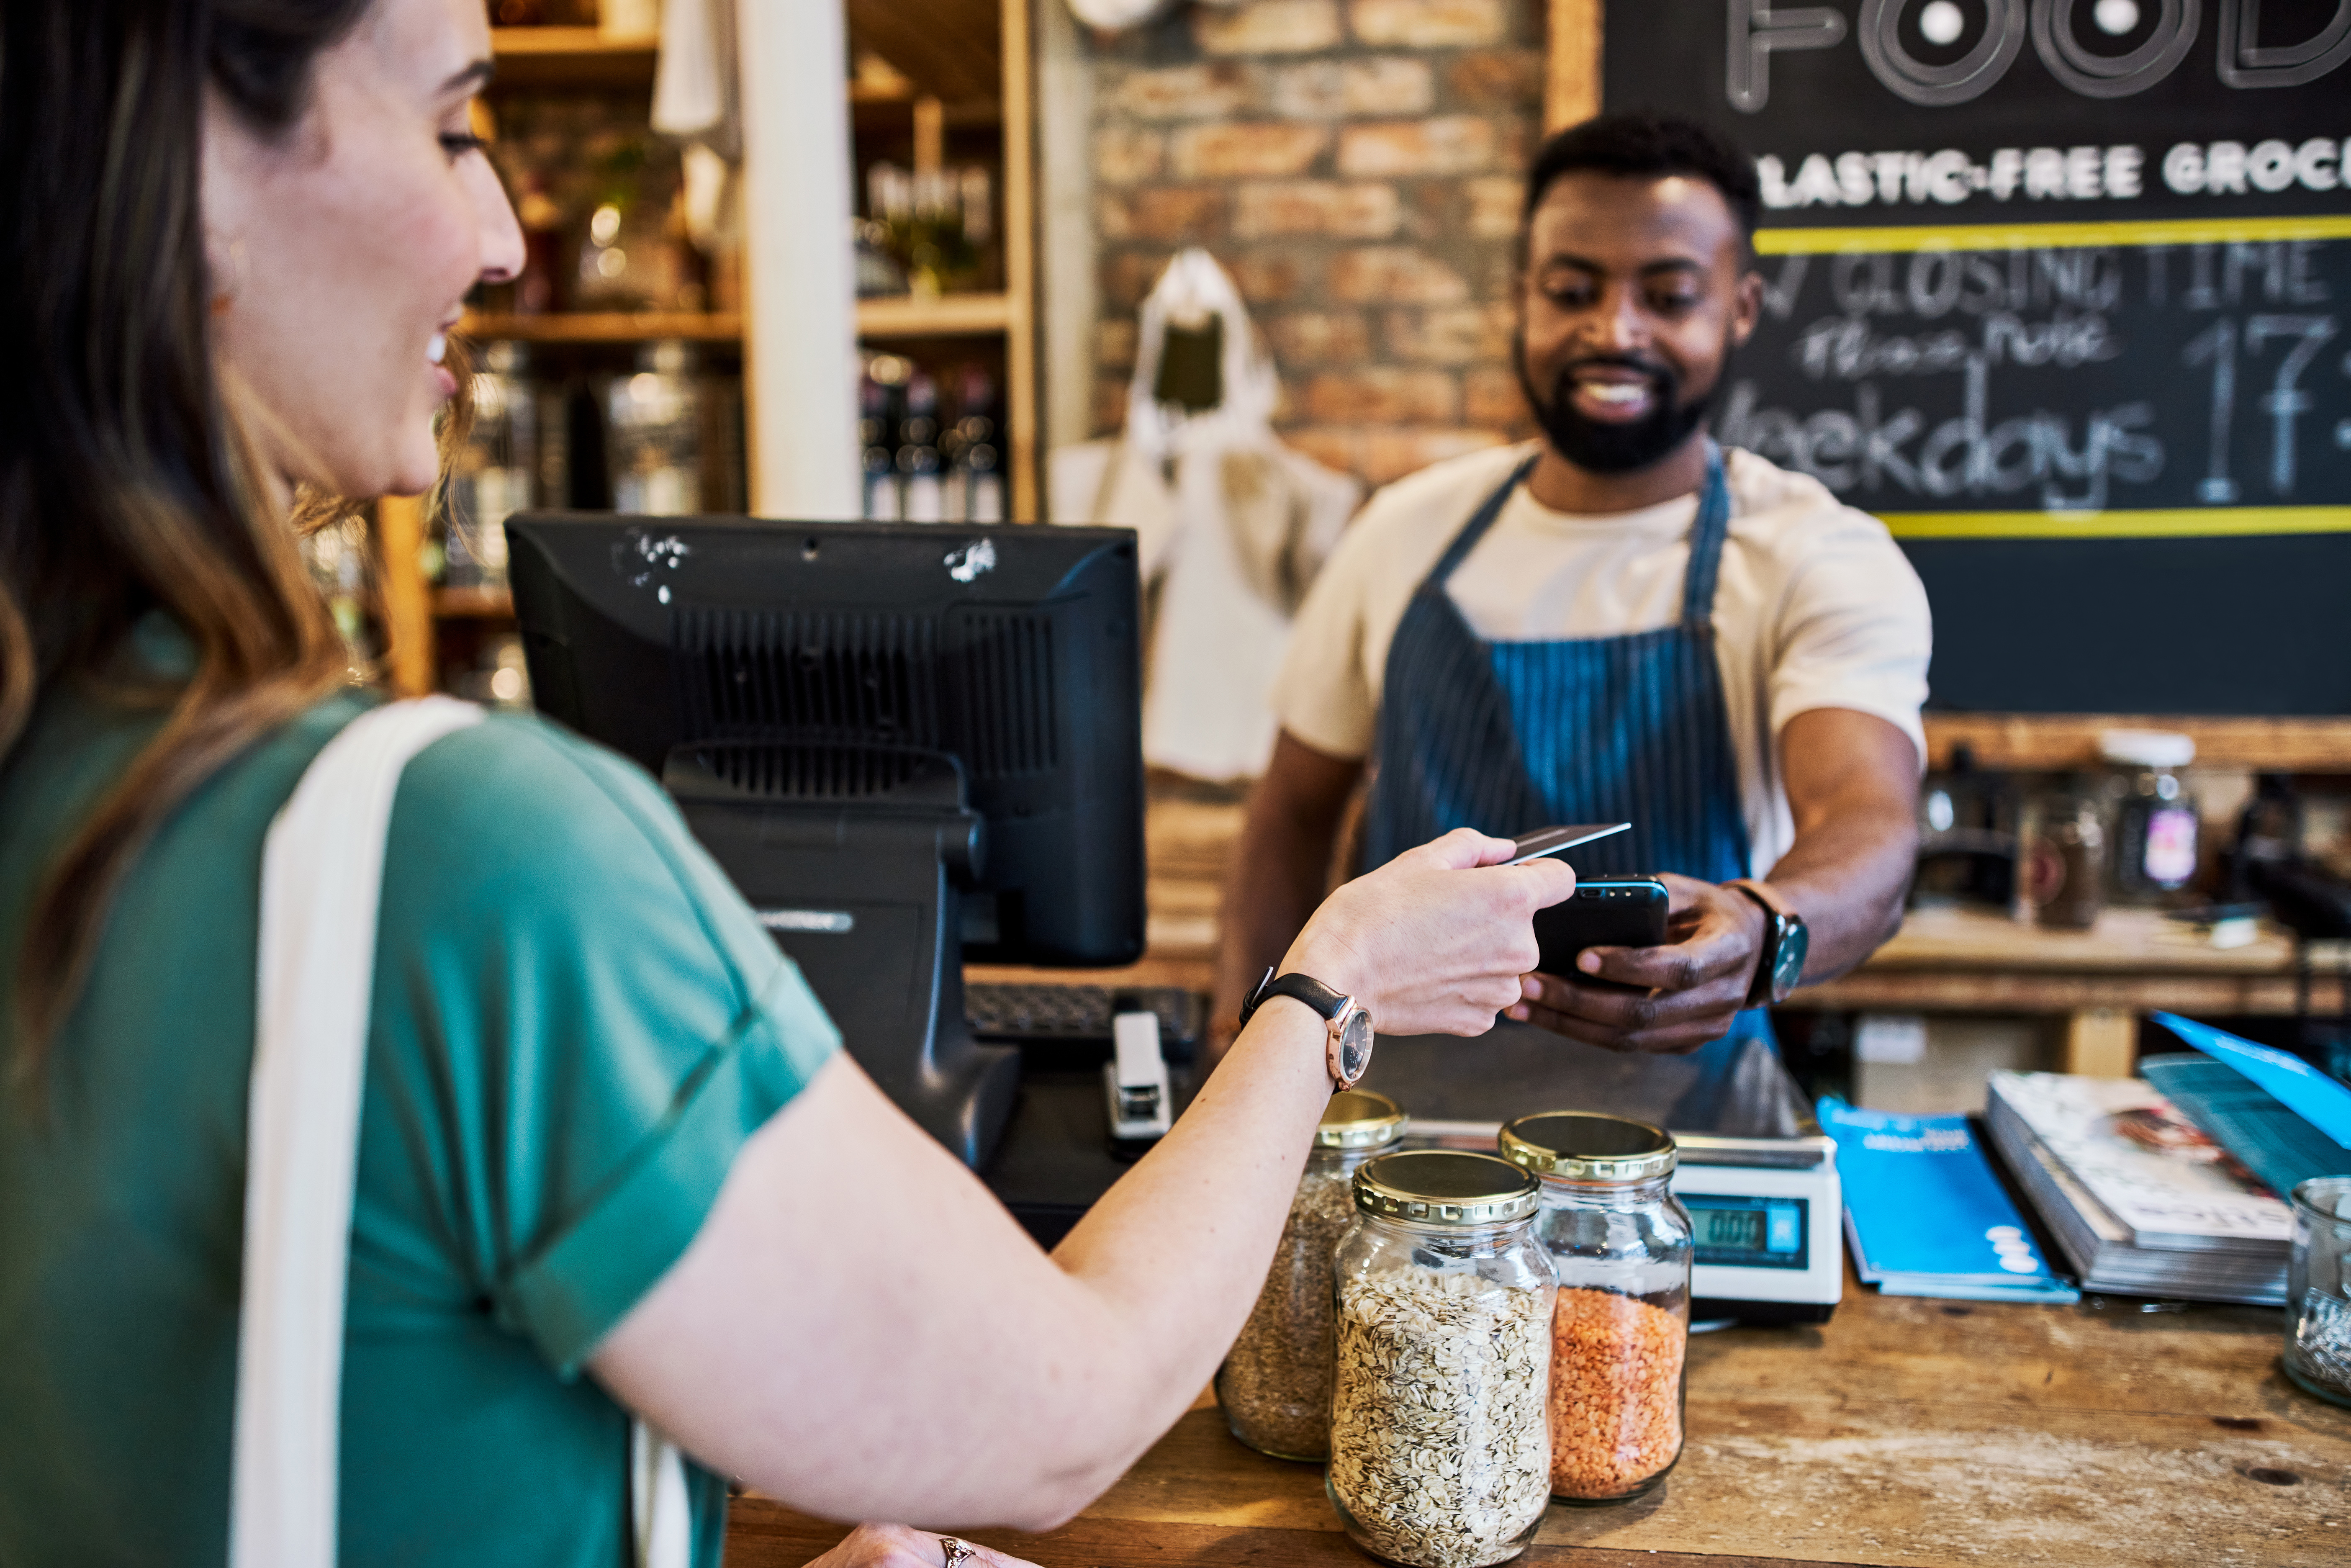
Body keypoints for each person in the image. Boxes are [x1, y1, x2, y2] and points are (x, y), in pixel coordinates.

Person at [0, 2, 1575, 1565]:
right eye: (453, 125)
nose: (498, 239)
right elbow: (1067, 1406)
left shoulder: (64, 773)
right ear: (192, 175)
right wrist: (1332, 982)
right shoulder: (460, 857)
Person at [1213, 114, 1930, 1105]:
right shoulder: (1403, 533)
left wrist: (1766, 926)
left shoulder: (1814, 553)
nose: (1614, 329)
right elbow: (1288, 822)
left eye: (1668, 295)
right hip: (1389, 1129)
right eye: (1571, 291)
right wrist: (1241, 1063)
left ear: (1741, 307)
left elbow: (1869, 822)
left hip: (1691, 1133)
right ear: (1522, 299)